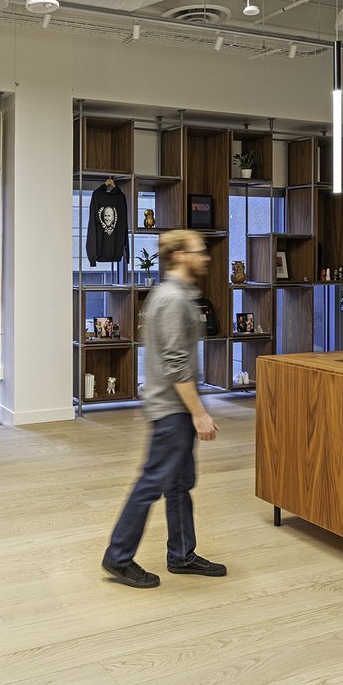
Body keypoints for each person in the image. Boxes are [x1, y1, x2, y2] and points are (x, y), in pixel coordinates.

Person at [102, 229, 226, 588]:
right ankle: (118, 556)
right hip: (174, 410)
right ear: (179, 256)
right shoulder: (172, 299)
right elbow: (175, 363)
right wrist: (198, 412)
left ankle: (182, 553)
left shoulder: (172, 295)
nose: (205, 257)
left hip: (170, 407)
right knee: (151, 483)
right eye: (199, 252)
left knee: (178, 483)